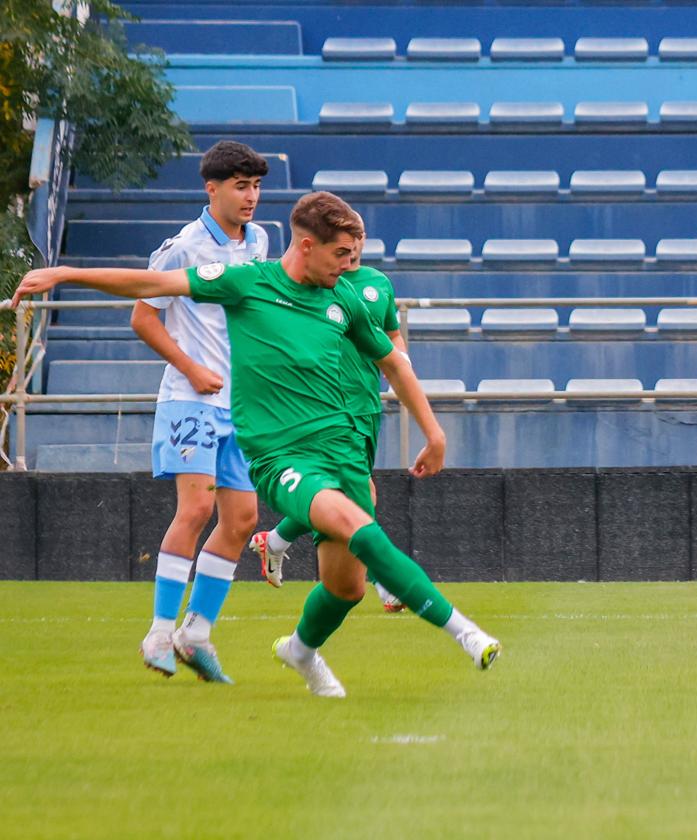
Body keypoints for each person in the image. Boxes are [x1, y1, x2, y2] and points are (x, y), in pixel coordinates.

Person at [8, 191, 501, 698]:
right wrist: (65, 273)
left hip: (344, 452)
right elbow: (155, 284)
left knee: (346, 587)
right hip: (282, 459)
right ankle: (467, 634)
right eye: (340, 256)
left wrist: (435, 433)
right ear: (307, 246)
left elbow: (394, 362)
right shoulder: (247, 283)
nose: (348, 266)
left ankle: (300, 651)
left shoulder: (343, 299)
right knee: (362, 528)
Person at [131, 140, 269, 683]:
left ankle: (196, 634)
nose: (251, 196)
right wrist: (190, 367)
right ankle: (159, 633)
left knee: (242, 519)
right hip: (191, 400)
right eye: (240, 185)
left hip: (240, 405)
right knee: (195, 510)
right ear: (210, 189)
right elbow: (143, 318)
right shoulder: (184, 247)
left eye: (256, 185)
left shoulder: (259, 241)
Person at [251, 221, 407, 613]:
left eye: (357, 239)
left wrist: (401, 367)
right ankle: (387, 582)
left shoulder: (378, 283)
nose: (352, 247)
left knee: (341, 497)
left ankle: (277, 540)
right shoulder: (315, 286)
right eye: (344, 242)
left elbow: (392, 335)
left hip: (366, 405)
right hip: (326, 407)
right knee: (359, 495)